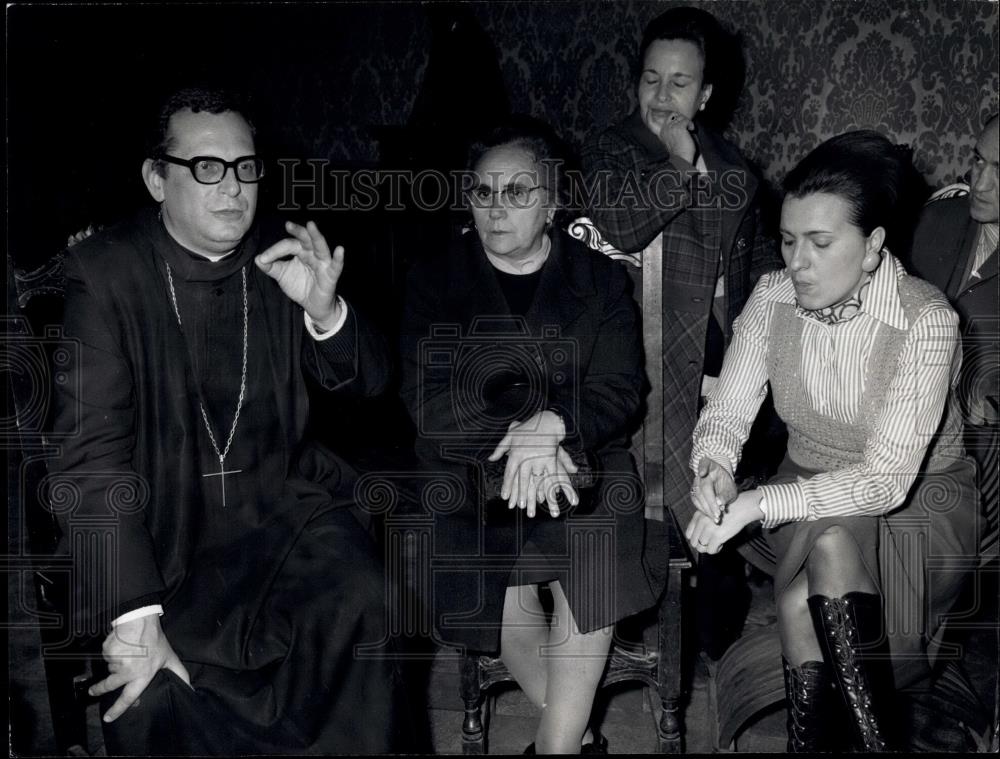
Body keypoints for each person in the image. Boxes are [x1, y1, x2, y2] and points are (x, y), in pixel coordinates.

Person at [49, 87, 407, 754]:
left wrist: (325, 315)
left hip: (278, 514)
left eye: (245, 167)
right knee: (145, 683)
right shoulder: (105, 272)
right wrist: (134, 614)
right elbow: (88, 455)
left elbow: (375, 386)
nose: (233, 188)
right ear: (158, 178)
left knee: (366, 591)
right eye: (207, 168)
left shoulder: (283, 251)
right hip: (160, 532)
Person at [686, 130, 980, 752]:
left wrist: (759, 503)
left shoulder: (926, 321)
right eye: (789, 241)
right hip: (809, 483)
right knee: (825, 551)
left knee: (821, 562)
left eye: (820, 243)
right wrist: (712, 464)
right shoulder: (771, 298)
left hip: (915, 508)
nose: (797, 262)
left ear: (872, 246)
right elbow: (729, 411)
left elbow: (883, 482)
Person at [400, 117, 660, 754]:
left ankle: (556, 747)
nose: (496, 208)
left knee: (594, 549)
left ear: (552, 200)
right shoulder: (434, 278)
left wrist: (556, 428)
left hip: (585, 457)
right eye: (483, 192)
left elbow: (621, 388)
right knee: (496, 571)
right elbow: (426, 397)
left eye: (517, 192)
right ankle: (576, 738)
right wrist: (522, 438)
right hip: (466, 461)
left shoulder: (599, 280)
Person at [581, 5, 783, 658]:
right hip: (628, 358)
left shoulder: (734, 170)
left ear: (706, 93)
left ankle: (708, 600)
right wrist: (674, 163)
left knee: (711, 597)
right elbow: (621, 225)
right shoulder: (612, 149)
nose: (662, 97)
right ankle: (635, 608)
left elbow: (758, 277)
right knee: (638, 511)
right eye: (651, 79)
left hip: (713, 360)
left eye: (679, 83)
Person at [909, 114, 999, 543]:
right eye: (978, 161)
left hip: (982, 451)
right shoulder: (937, 219)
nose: (979, 183)